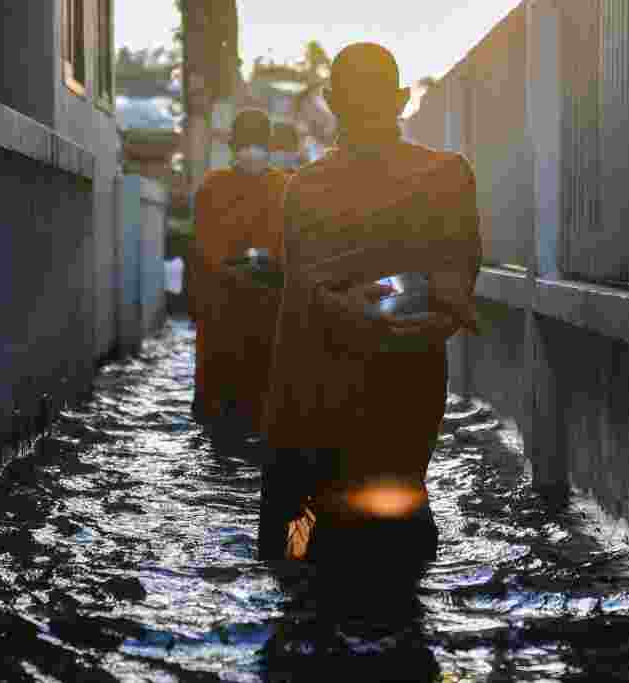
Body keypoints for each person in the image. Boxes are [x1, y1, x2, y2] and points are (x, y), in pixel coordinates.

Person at [258, 43, 482, 567]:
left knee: (304, 546)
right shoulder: (448, 176)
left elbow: (300, 304)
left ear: (333, 103)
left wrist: (355, 312)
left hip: (319, 395)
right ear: (402, 99)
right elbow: (455, 288)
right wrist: (413, 320)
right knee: (400, 523)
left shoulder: (305, 189)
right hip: (407, 387)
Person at [188, 109, 291, 438]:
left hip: (267, 308)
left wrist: (270, 265)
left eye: (257, 143)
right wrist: (234, 270)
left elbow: (294, 247)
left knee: (265, 409)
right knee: (222, 416)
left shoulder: (287, 188)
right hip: (225, 312)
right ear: (234, 148)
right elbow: (204, 247)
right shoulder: (212, 188)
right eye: (246, 143)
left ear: (269, 147)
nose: (251, 150)